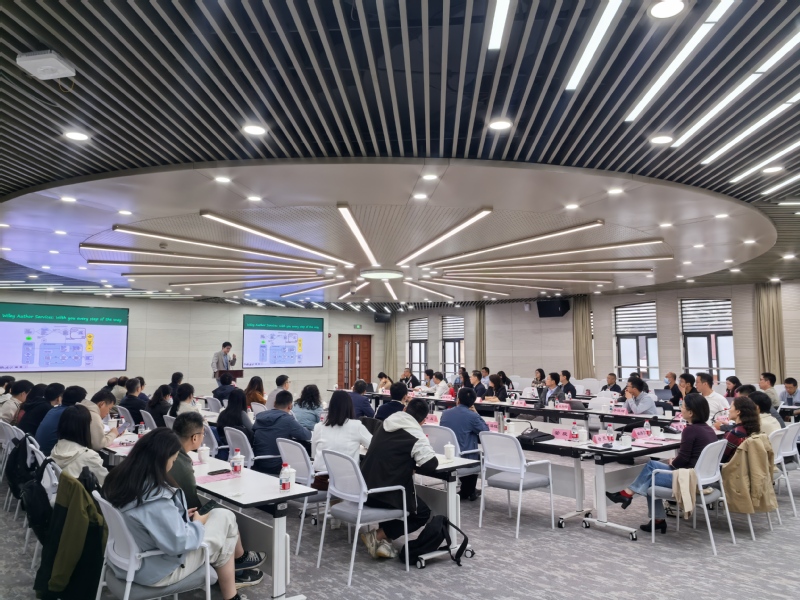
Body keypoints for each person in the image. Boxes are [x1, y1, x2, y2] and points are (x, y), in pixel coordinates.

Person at [102, 428, 265, 598]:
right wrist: (197, 523)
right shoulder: (154, 497)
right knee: (225, 519)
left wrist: (174, 517)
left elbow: (145, 520)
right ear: (163, 459)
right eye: (173, 460)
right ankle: (235, 579)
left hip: (126, 559)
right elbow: (179, 544)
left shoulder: (119, 480)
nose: (172, 465)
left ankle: (234, 582)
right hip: (156, 569)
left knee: (223, 528)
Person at [606, 393, 716, 533]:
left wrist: (673, 463)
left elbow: (683, 459)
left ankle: (630, 497)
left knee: (650, 474)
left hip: (689, 479)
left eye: (683, 407)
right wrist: (674, 463)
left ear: (691, 412)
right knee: (651, 467)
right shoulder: (708, 429)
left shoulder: (690, 430)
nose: (680, 409)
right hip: (703, 477)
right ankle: (636, 502)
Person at [360, 398, 439, 559]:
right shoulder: (416, 434)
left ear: (404, 409)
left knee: (399, 493)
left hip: (364, 488)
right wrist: (413, 467)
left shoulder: (387, 423)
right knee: (422, 513)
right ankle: (378, 535)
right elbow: (431, 464)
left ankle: (384, 543)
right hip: (386, 494)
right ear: (423, 421)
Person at [440, 387, 488, 501]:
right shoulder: (472, 416)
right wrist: (476, 413)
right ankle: (469, 491)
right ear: (472, 402)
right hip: (464, 459)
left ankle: (467, 490)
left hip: (447, 455)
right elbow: (485, 432)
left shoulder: (445, 413)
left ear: (458, 400)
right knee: (478, 456)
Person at [252, 390, 311, 475]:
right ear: (290, 406)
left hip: (257, 461)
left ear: (274, 403)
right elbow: (306, 436)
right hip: (277, 464)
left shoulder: (260, 416)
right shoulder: (287, 420)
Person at [311, 390, 372, 472]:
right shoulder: (357, 426)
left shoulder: (318, 427)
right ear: (350, 406)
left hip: (319, 476)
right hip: (346, 476)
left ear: (330, 406)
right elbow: (374, 445)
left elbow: (314, 455)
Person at [50, 405, 108, 485]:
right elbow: (107, 482)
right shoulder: (89, 456)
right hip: (82, 493)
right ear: (86, 427)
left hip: (61, 490)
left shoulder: (56, 448)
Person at [169, 411, 207, 509]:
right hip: (176, 512)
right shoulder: (183, 466)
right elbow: (192, 505)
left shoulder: (163, 448)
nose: (203, 437)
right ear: (194, 438)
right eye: (203, 433)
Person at [36, 385, 86, 455]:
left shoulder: (53, 409)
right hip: (51, 454)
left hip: (40, 452)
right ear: (79, 402)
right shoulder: (70, 414)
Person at [215, 389, 253, 460]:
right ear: (243, 401)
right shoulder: (241, 414)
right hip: (240, 447)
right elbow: (252, 429)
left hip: (226, 444)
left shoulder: (223, 413)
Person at [721, 396, 760, 463]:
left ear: (738, 412)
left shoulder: (734, 434)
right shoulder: (753, 429)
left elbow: (721, 457)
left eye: (731, 407)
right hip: (745, 466)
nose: (729, 410)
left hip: (730, 467)